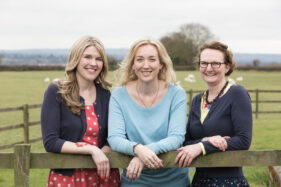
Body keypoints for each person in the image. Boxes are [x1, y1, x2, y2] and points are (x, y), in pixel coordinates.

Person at [108, 37, 190, 186]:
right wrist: (137, 149)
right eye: (139, 59)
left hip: (174, 180)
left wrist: (143, 154)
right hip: (135, 179)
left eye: (152, 59)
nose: (146, 65)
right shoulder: (119, 95)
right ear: (133, 64)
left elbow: (176, 137)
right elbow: (115, 138)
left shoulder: (176, 93)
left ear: (161, 64)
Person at [41, 35, 120, 187]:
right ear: (76, 59)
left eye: (99, 59)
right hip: (69, 178)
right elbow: (51, 142)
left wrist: (103, 151)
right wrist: (91, 150)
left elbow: (115, 135)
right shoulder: (57, 91)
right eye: (88, 57)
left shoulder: (105, 94)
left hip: (104, 176)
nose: (93, 63)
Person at [175, 41, 252, 186]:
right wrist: (206, 140)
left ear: (227, 67)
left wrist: (202, 147)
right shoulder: (198, 100)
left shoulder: (237, 93)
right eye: (204, 63)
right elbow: (186, 142)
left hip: (229, 182)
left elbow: (243, 141)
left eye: (215, 63)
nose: (209, 68)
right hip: (199, 181)